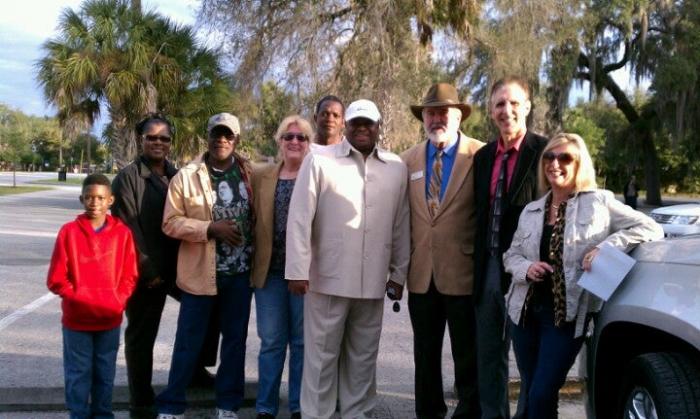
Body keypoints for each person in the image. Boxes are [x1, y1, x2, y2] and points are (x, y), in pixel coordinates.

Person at [503, 133, 663, 419]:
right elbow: (510, 255)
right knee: (532, 390)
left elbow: (650, 227)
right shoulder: (532, 209)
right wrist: (526, 268)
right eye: (549, 157)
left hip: (565, 319)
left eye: (564, 157)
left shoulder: (599, 202)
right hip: (524, 314)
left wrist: (606, 247)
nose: (554, 164)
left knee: (541, 392)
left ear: (579, 164)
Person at [285, 99, 410, 419]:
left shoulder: (396, 167)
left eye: (369, 123)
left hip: (372, 284)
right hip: (327, 281)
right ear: (346, 125)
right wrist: (297, 270)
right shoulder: (319, 161)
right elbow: (300, 219)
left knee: (363, 360)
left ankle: (358, 413)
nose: (362, 128)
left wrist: (398, 274)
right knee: (321, 360)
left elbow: (400, 223)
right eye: (356, 123)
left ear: (379, 126)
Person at [111, 114, 216, 419]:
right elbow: (127, 228)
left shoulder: (177, 175)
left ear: (171, 142)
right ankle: (141, 399)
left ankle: (195, 371)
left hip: (181, 267)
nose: (158, 142)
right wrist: (148, 270)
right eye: (151, 137)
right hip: (147, 272)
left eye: (164, 138)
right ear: (140, 139)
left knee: (209, 312)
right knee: (142, 335)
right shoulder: (128, 178)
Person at [156, 113, 254, 419]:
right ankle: (172, 405)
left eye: (228, 135)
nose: (221, 140)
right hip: (200, 273)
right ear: (207, 137)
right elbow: (170, 222)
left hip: (240, 275)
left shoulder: (250, 173)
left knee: (235, 343)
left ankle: (227, 405)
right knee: (188, 341)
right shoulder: (186, 176)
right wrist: (209, 229)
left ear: (236, 140)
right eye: (216, 134)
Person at [401, 82, 484, 419]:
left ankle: (469, 413)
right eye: (430, 113)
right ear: (423, 118)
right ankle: (429, 413)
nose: (436, 119)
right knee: (425, 355)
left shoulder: (480, 155)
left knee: (467, 355)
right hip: (421, 275)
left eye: (443, 112)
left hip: (463, 273)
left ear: (458, 116)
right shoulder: (407, 160)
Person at [472, 77, 548, 419]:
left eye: (514, 103)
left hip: (529, 271)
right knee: (489, 354)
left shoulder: (545, 152)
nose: (507, 110)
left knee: (529, 357)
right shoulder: (483, 157)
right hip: (488, 266)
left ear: (527, 106)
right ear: (491, 111)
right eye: (500, 104)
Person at [47, 174, 139, 419]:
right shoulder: (69, 232)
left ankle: (103, 414)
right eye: (89, 197)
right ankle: (78, 414)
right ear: (81, 199)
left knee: (105, 372)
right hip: (77, 320)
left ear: (111, 200)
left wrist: (118, 300)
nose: (94, 202)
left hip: (109, 318)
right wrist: (76, 297)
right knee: (78, 373)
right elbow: (56, 278)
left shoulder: (122, 233)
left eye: (100, 197)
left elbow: (130, 275)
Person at [250, 115, 314, 419]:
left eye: (301, 137)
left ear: (309, 143)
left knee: (301, 343)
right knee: (272, 342)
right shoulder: (261, 175)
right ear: (279, 141)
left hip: (306, 275)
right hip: (271, 273)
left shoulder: (316, 175)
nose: (295, 142)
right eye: (289, 137)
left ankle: (299, 406)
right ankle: (266, 407)